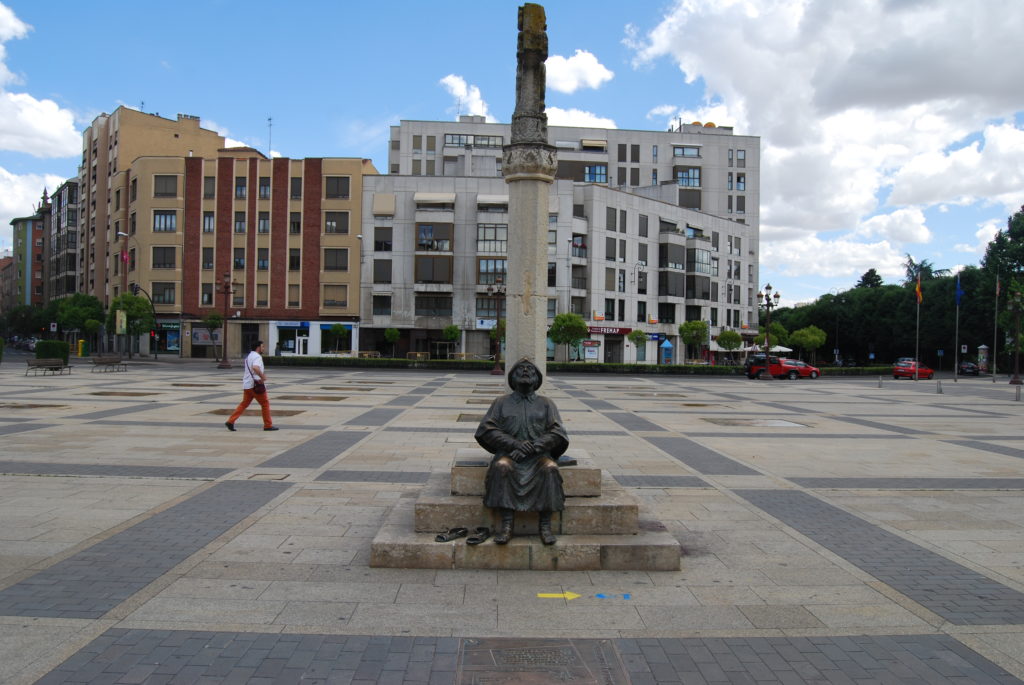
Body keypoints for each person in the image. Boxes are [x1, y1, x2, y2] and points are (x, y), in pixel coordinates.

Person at [474, 358, 568, 545]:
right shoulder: (501, 403)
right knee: (501, 467)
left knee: (550, 468)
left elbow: (558, 432)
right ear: (512, 378)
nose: (525, 371)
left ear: (537, 378)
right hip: (509, 455)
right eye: (520, 369)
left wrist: (535, 446)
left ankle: (545, 525)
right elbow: (487, 429)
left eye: (530, 369)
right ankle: (507, 524)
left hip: (539, 457)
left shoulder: (546, 403)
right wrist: (514, 445)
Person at [225, 340, 278, 431]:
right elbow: (255, 367)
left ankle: (231, 421)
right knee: (265, 404)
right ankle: (268, 425)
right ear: (258, 347)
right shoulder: (257, 356)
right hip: (256, 385)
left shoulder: (249, 356)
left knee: (244, 404)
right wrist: (262, 376)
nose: (263, 348)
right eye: (262, 346)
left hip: (247, 385)